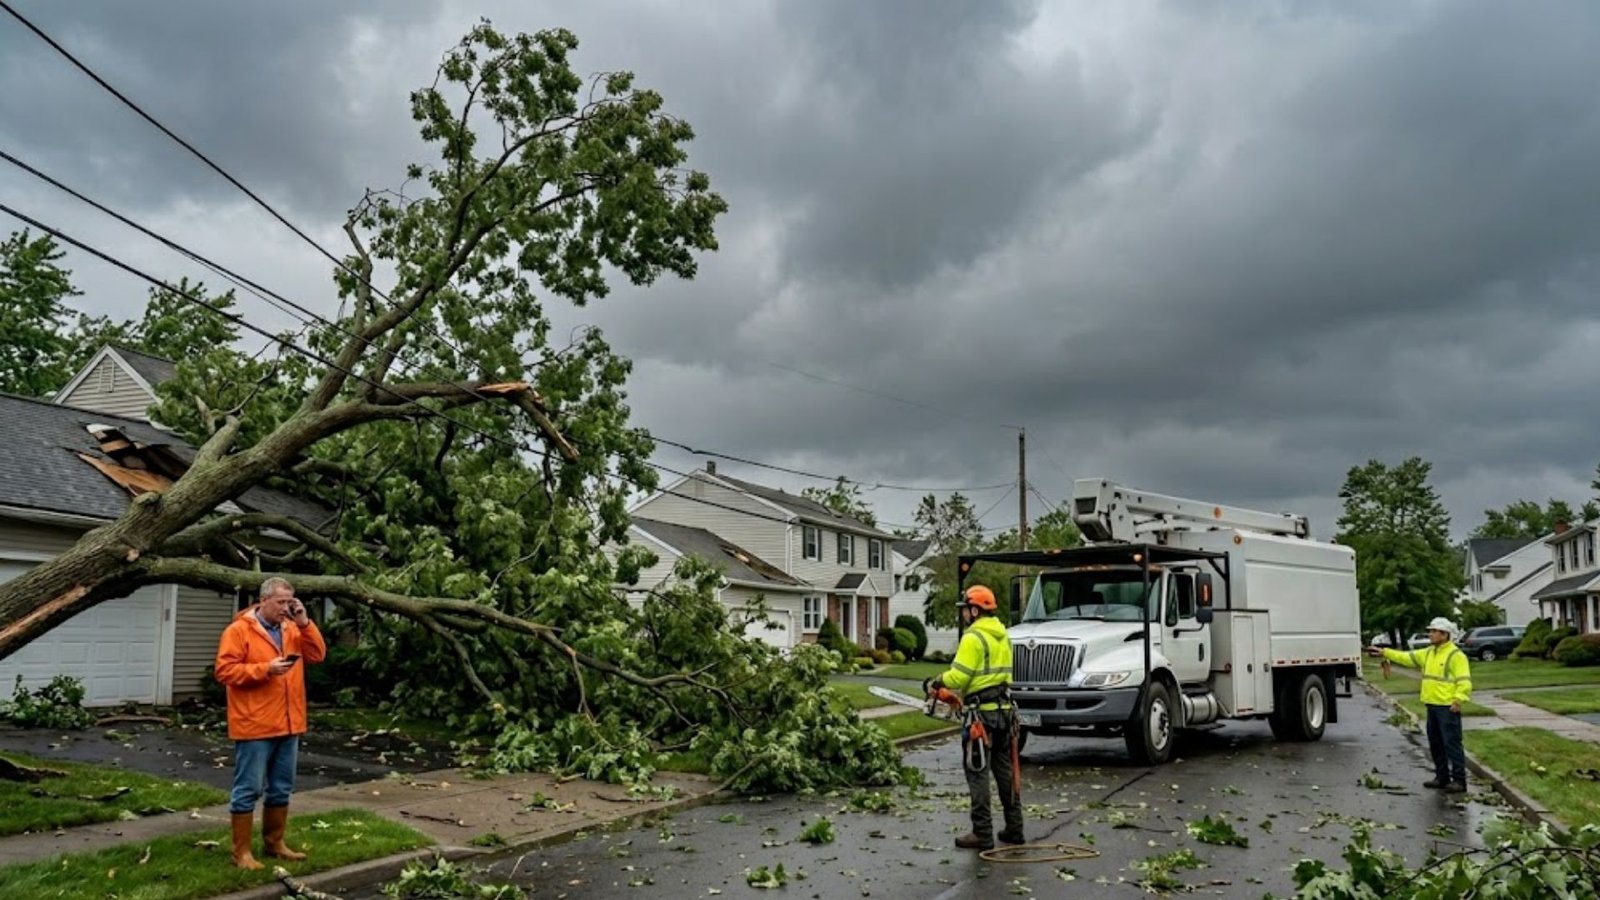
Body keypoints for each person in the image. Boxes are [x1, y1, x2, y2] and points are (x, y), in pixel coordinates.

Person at [215, 577, 326, 869]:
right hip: (255, 724)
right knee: (248, 788)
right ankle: (241, 852)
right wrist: (266, 669)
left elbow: (317, 655)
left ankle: (275, 843)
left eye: (290, 602)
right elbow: (225, 671)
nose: (285, 608)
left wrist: (304, 622)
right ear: (263, 600)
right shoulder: (239, 630)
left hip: (289, 722)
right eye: (280, 602)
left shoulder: (291, 628)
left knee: (281, 788)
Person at [927, 584, 1024, 851]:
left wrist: (936, 682)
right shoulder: (1003, 635)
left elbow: (958, 676)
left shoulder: (973, 638)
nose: (964, 615)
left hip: (981, 717)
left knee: (978, 773)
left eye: (966, 610)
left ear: (974, 609)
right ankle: (1015, 827)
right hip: (1004, 713)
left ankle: (982, 832)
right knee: (1004, 772)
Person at [1368, 616, 1471, 793]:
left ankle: (1459, 781)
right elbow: (1407, 657)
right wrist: (1385, 653)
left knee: (1452, 744)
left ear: (1444, 634)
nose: (1430, 634)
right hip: (1432, 705)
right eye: (1430, 631)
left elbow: (1464, 681)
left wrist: (1458, 699)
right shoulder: (1429, 652)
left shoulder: (1456, 655)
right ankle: (1442, 777)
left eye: (1433, 631)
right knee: (1436, 743)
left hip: (1447, 706)